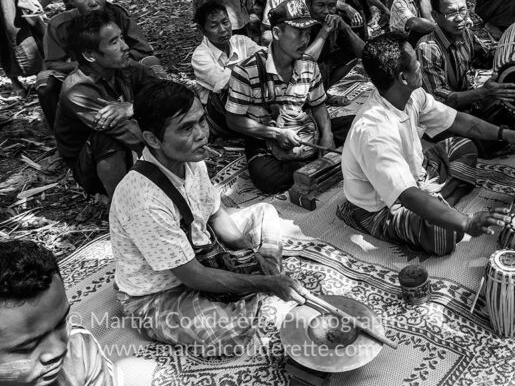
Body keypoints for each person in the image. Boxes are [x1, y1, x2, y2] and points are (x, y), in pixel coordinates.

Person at [110, 79, 306, 355]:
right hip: (158, 293)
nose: (202, 134)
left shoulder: (192, 158)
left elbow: (215, 216)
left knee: (266, 213)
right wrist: (264, 282)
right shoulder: (142, 200)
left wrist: (252, 256)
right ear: (153, 139)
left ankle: (250, 289)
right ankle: (251, 294)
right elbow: (193, 276)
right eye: (187, 128)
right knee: (230, 332)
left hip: (200, 251)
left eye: (201, 121)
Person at [338, 33, 515, 256]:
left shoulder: (413, 94)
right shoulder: (374, 130)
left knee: (463, 147)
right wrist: (466, 223)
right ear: (402, 77)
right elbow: (407, 195)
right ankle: (439, 209)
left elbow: (457, 120)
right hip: (382, 207)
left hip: (416, 177)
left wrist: (507, 134)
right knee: (444, 235)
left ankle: (438, 206)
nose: (420, 64)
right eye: (414, 61)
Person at [226, 0, 352, 195]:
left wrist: (326, 135)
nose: (305, 40)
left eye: (308, 33)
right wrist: (275, 134)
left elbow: (318, 106)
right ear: (276, 33)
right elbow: (233, 120)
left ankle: (309, 162)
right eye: (299, 33)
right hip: (266, 135)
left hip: (303, 128)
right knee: (268, 179)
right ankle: (314, 165)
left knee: (357, 125)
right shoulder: (246, 71)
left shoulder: (309, 65)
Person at [36, 0, 162, 130]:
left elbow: (143, 50)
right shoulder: (59, 24)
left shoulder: (118, 14)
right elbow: (53, 64)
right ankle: (59, 131)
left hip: (122, 66)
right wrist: (86, 66)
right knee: (44, 81)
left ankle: (157, 114)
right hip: (83, 73)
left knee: (152, 64)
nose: (93, 2)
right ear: (72, 0)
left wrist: (116, 58)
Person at [0, 239, 139, 386]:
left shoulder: (80, 348)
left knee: (136, 370)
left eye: (61, 322)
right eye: (27, 347)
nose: (59, 349)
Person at [54, 10, 157, 198]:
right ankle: (121, 204)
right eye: (114, 42)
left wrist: (133, 107)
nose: (125, 47)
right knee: (106, 137)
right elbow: (127, 133)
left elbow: (165, 94)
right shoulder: (77, 90)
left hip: (135, 150)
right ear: (90, 55)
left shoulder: (124, 67)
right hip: (91, 167)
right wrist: (173, 148)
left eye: (121, 38)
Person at [417, 0, 515, 115]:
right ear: (435, 16)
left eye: (462, 10)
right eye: (451, 13)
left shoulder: (466, 34)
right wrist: (483, 92)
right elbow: (439, 100)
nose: (459, 18)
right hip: (442, 118)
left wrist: (514, 49)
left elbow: (487, 57)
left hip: (466, 106)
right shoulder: (428, 49)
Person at [192, 1, 262, 137]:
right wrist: (249, 67)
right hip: (219, 114)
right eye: (214, 26)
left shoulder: (241, 41)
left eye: (225, 22)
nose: (223, 29)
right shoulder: (200, 56)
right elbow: (226, 84)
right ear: (202, 30)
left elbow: (266, 58)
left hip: (248, 102)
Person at [305, 0, 365, 88]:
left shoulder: (335, 20)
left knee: (351, 56)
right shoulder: (301, 23)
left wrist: (345, 27)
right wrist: (324, 32)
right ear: (308, 3)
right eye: (320, 5)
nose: (326, 11)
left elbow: (364, 54)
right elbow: (304, 62)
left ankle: (323, 92)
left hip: (319, 68)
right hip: (299, 75)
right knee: (318, 66)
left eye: (331, 5)